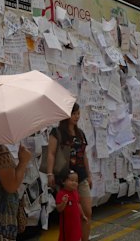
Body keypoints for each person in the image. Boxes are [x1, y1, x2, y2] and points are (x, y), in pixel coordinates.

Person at [46, 103, 93, 241]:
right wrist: (50, 174)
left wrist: (89, 175)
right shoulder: (57, 132)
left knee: (87, 212)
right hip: (65, 179)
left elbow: (84, 155)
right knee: (69, 215)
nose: (77, 116)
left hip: (81, 177)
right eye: (74, 113)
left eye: (78, 113)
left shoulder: (80, 133)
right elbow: (51, 154)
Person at [56, 169, 87, 241]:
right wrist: (63, 203)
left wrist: (82, 215)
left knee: (76, 237)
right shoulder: (61, 194)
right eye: (72, 180)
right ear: (63, 181)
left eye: (76, 181)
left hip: (76, 222)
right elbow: (59, 209)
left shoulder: (75, 192)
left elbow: (78, 204)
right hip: (67, 226)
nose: (75, 183)